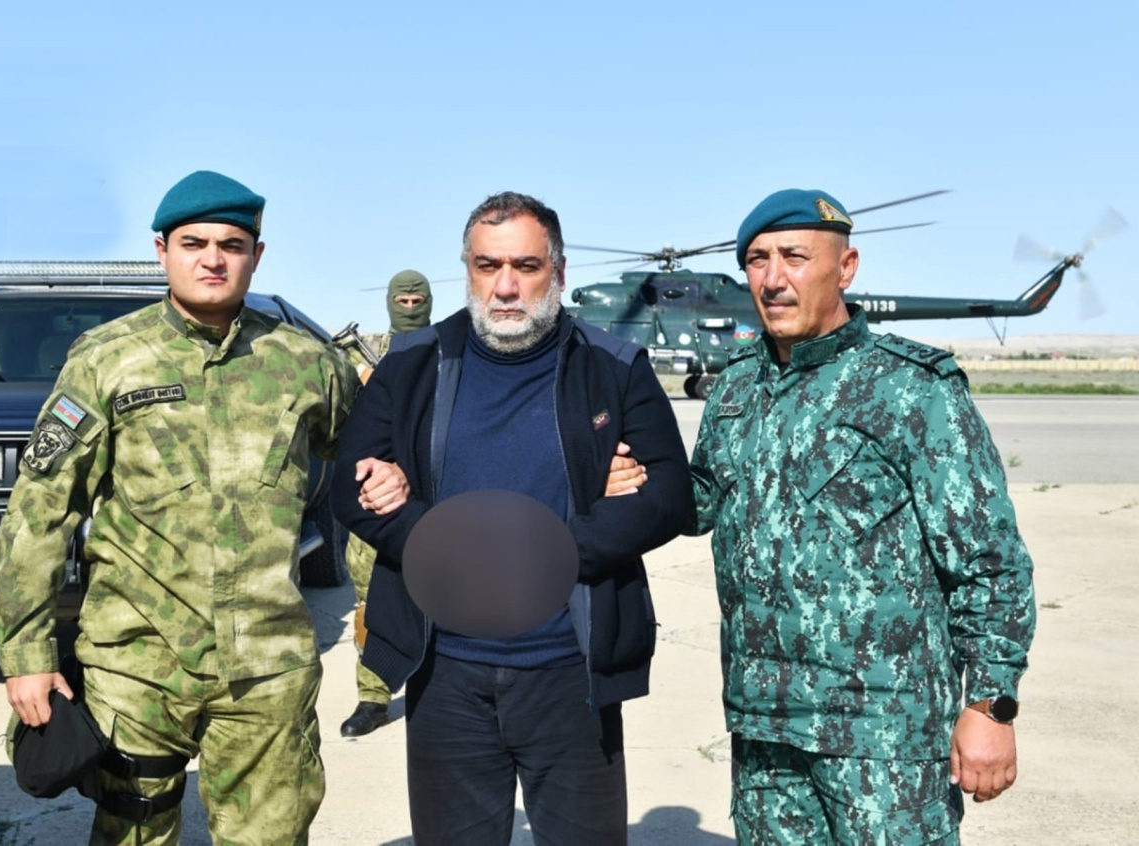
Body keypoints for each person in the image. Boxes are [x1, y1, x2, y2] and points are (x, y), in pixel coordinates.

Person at [0, 170, 368, 845]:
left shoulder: (307, 363)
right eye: (194, 243)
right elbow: (39, 511)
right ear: (162, 250)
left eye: (232, 245)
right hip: (136, 667)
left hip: (266, 670)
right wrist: (26, 655)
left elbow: (373, 468)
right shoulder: (108, 361)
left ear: (256, 255)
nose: (213, 259)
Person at [331, 191, 691, 845]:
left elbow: (670, 495)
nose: (504, 287)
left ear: (558, 271)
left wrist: (554, 549)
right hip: (445, 674)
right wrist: (444, 543)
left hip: (570, 672)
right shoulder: (412, 366)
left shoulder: (612, 368)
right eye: (487, 266)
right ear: (466, 271)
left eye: (526, 266)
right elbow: (348, 489)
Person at [686, 188, 1037, 844]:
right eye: (758, 260)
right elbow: (698, 502)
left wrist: (991, 706)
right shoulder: (734, 389)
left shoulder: (912, 389)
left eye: (795, 257)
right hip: (765, 730)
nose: (773, 278)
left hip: (884, 737)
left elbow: (991, 561)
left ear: (845, 268)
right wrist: (618, 467)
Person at [337, 268, 432, 738]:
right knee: (369, 598)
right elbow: (333, 416)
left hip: (432, 488)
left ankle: (435, 688)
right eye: (402, 301)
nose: (409, 308)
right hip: (374, 493)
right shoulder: (360, 350)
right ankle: (372, 697)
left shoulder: (449, 347)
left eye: (417, 301)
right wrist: (362, 385)